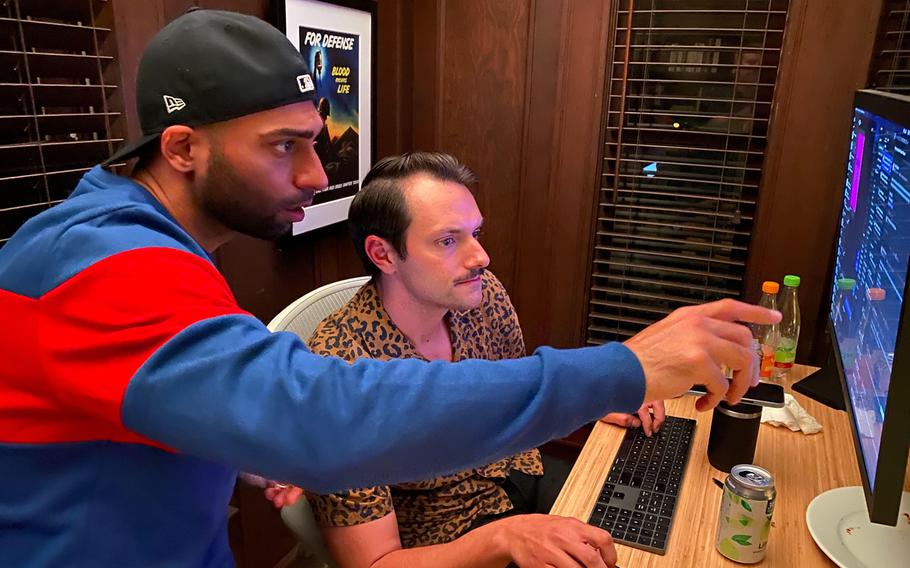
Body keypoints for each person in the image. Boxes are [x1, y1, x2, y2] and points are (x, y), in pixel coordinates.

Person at [0, 9, 778, 567]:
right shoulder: (98, 262)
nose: (313, 175)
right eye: (284, 148)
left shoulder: (149, 251)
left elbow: (120, 407)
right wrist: (628, 364)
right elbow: (329, 419)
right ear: (182, 147)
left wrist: (230, 447)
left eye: (315, 141)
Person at [304, 152, 663, 568]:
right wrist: (505, 536)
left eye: (476, 233)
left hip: (516, 471)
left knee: (639, 537)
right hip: (445, 538)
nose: (480, 257)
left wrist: (596, 395)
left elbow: (516, 393)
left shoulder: (480, 294)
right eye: (448, 240)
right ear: (383, 255)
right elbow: (373, 563)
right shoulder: (338, 370)